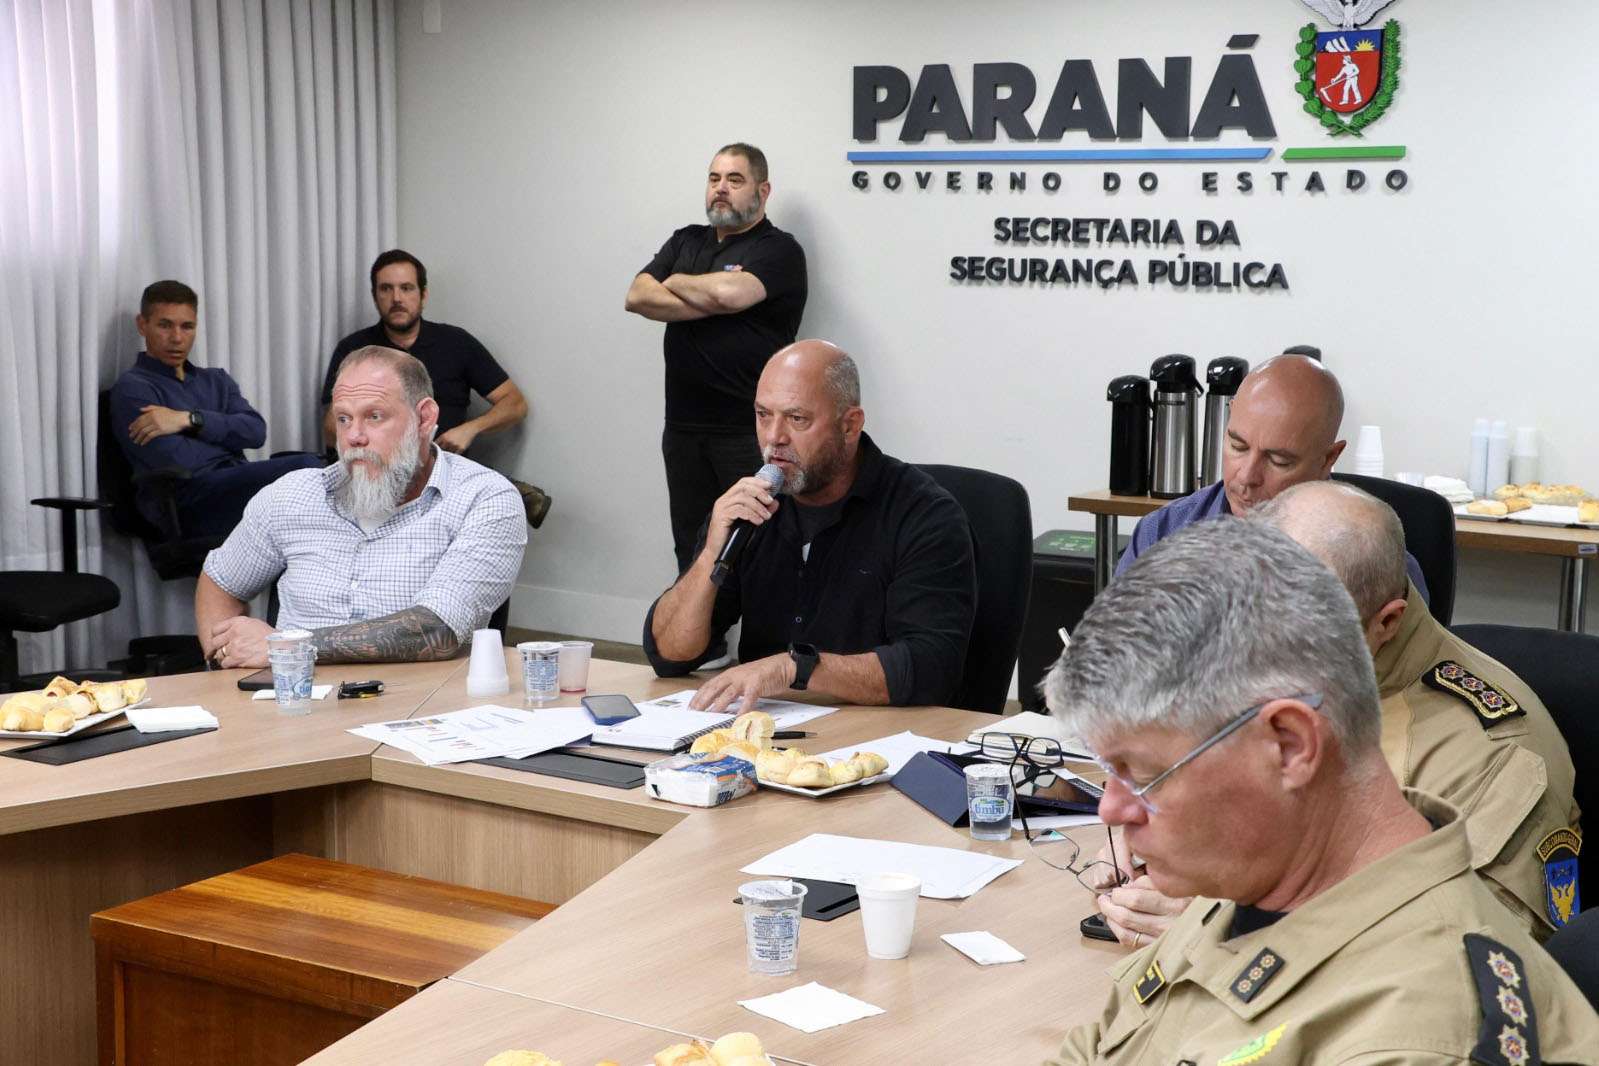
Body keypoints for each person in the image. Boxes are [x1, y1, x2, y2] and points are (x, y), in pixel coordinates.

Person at [1040, 521, 1599, 1064]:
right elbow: (1104, 1044)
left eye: (1143, 775)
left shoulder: (1418, 1039)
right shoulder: (1249, 879)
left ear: (1289, 746)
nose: (1110, 809)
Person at [1091, 481, 1583, 947]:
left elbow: (1470, 960)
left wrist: (1231, 928)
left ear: (1385, 622)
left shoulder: (1496, 758)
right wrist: (1160, 831)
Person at [644, 340, 974, 711]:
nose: (774, 437)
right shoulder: (750, 506)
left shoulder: (924, 514)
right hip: (764, 729)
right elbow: (669, 655)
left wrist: (795, 668)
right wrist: (710, 555)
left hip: (876, 730)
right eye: (763, 415)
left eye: (797, 419)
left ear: (850, 425)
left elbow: (931, 668)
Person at [198, 346, 526, 667]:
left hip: (417, 699)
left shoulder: (484, 498)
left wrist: (287, 647)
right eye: (343, 419)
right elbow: (221, 582)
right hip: (294, 696)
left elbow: (436, 630)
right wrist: (228, 662)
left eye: (374, 416)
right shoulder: (292, 495)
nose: (354, 436)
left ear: (424, 418)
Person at [625, 142, 808, 576]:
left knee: (757, 550)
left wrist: (675, 281)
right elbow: (636, 295)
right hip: (683, 429)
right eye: (714, 178)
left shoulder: (778, 250)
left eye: (735, 179)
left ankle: (760, 626)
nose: (721, 188)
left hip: (750, 432)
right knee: (692, 548)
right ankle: (698, 624)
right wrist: (709, 296)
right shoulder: (686, 240)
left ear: (763, 191)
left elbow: (732, 294)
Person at [1113, 353, 1430, 602]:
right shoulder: (1163, 534)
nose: (1247, 476)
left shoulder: (1373, 564)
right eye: (1238, 446)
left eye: (1279, 460)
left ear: (1328, 458)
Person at [322, 250, 549, 527]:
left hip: (446, 473)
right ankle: (509, 489)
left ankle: (501, 490)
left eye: (407, 288)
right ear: (374, 295)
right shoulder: (355, 349)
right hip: (378, 472)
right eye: (386, 289)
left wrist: (470, 429)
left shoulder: (456, 342)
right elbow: (331, 428)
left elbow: (515, 404)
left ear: (423, 294)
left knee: (493, 500)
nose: (397, 298)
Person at [109, 280, 322, 539]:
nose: (177, 338)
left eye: (187, 326)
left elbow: (256, 432)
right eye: (165, 325)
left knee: (324, 475)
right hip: (190, 503)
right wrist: (227, 437)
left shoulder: (216, 380)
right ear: (142, 325)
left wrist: (190, 420)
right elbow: (178, 461)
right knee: (306, 469)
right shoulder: (133, 388)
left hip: (233, 487)